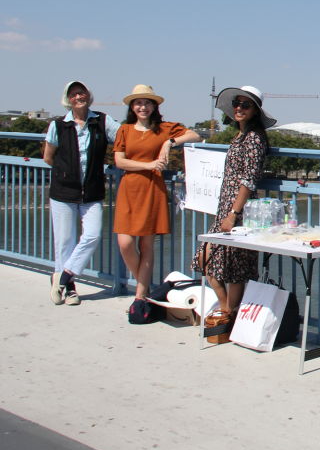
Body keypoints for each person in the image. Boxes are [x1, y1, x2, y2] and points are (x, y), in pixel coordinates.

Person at [190, 85, 274, 337]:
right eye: (236, 103)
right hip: (226, 207)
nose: (239, 108)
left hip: (239, 211)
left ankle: (230, 317)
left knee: (235, 267)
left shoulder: (254, 138)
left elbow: (249, 179)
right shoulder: (239, 135)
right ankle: (228, 311)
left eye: (245, 104)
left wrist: (233, 214)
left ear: (255, 111)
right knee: (205, 259)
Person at [113, 85, 201, 299]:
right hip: (129, 189)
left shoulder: (163, 128)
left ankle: (140, 296)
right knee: (125, 244)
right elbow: (119, 161)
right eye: (139, 103)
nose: (143, 106)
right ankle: (145, 287)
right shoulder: (124, 129)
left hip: (152, 190)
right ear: (132, 107)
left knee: (146, 245)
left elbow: (195, 135)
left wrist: (169, 143)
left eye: (147, 102)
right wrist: (149, 165)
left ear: (154, 106)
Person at [43, 81, 122, 306]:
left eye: (82, 93)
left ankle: (62, 277)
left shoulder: (102, 121)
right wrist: (65, 173)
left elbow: (124, 137)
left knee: (93, 234)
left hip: (93, 191)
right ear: (67, 100)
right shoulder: (57, 125)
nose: (78, 97)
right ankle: (69, 289)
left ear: (88, 95)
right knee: (64, 242)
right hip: (63, 191)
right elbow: (48, 157)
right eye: (73, 94)